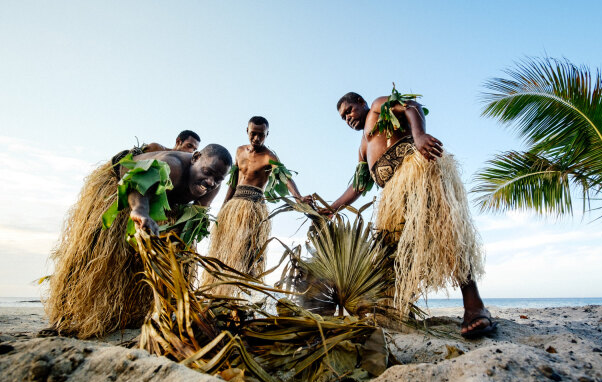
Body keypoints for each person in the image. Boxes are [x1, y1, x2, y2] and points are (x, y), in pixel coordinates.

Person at [328, 91, 496, 338]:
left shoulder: (377, 108)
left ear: (361, 103)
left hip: (417, 173)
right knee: (393, 252)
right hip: (394, 196)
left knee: (449, 235)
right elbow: (359, 186)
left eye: (349, 111)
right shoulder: (363, 147)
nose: (348, 119)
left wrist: (418, 136)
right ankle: (399, 309)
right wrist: (331, 208)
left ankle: (475, 307)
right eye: (343, 118)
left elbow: (410, 105)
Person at [46, 144, 232, 338]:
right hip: (123, 186)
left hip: (160, 200)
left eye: (218, 179)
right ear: (195, 158)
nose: (210, 182)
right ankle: (65, 314)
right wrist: (139, 211)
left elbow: (194, 216)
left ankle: (137, 314)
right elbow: (138, 185)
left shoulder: (212, 186)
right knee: (96, 256)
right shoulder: (172, 166)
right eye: (207, 172)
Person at [203, 116, 311, 294]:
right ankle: (218, 290)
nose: (256, 139)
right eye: (253, 134)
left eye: (261, 135)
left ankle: (244, 292)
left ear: (267, 134)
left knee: (248, 253)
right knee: (225, 248)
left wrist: (298, 197)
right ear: (247, 131)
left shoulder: (269, 156)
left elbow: (285, 176)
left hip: (253, 208)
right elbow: (232, 182)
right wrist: (223, 207)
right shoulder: (239, 152)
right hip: (234, 205)